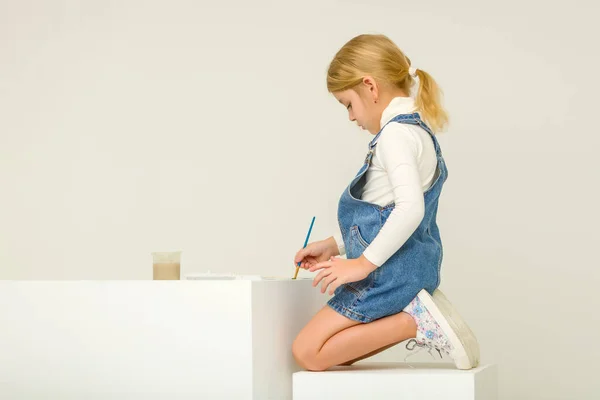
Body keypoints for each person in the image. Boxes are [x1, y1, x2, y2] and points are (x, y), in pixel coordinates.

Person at [292, 33, 480, 371]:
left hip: (387, 274)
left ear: (370, 86)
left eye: (348, 103)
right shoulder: (417, 131)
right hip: (412, 268)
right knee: (340, 355)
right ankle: (417, 316)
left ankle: (416, 322)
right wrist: (335, 246)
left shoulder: (395, 136)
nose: (350, 116)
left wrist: (360, 265)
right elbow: (385, 213)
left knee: (307, 352)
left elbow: (409, 209)